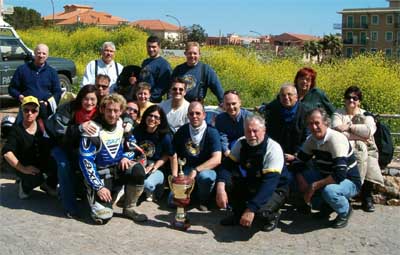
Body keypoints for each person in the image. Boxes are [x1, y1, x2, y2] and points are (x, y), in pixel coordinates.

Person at [79, 94, 147, 224]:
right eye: (109, 110)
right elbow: (85, 162)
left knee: (137, 169)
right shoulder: (92, 129)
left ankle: (129, 208)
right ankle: (95, 194)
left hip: (118, 168)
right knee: (103, 217)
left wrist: (126, 157)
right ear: (103, 109)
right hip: (100, 174)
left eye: (116, 111)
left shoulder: (123, 124)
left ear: (121, 111)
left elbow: (132, 143)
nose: (112, 114)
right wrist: (99, 187)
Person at [216, 115, 290, 232]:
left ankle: (272, 216)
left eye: (255, 131)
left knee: (260, 213)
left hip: (276, 188)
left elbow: (269, 184)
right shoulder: (241, 143)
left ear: (264, 131)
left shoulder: (273, 148)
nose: (251, 135)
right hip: (253, 183)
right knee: (228, 182)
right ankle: (238, 214)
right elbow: (227, 166)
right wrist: (220, 187)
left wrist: (251, 209)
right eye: (248, 131)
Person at [293, 108, 361, 229]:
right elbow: (298, 162)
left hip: (349, 180)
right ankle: (324, 207)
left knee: (329, 191)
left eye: (317, 123)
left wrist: (314, 186)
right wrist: (301, 180)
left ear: (326, 123)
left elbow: (340, 174)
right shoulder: (311, 140)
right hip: (325, 176)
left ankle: (345, 211)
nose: (313, 127)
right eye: (310, 124)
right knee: (293, 179)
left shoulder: (336, 140)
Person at [46, 85, 99, 218]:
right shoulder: (68, 108)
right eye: (86, 99)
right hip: (62, 146)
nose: (89, 103)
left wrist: (126, 121)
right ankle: (70, 206)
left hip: (83, 149)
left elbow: (119, 110)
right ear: (81, 98)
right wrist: (79, 128)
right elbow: (59, 132)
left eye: (93, 99)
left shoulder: (100, 111)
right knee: (64, 166)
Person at [332, 86, 384, 212]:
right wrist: (359, 136)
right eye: (348, 97)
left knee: (369, 159)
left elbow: (368, 131)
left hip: (366, 148)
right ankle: (347, 195)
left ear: (359, 101)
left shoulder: (366, 115)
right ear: (344, 100)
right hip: (344, 148)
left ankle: (366, 197)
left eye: (354, 98)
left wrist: (348, 127)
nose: (351, 100)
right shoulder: (338, 114)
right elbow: (336, 131)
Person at [2, 96, 57, 199]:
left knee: (60, 163)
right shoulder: (16, 130)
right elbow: (7, 152)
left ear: (38, 111)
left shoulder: (43, 125)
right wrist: (23, 169)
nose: (30, 113)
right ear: (22, 111)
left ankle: (48, 185)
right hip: (25, 166)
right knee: (33, 176)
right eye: (26, 110)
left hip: (42, 163)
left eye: (33, 110)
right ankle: (24, 186)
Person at [173, 101, 222, 211]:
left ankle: (203, 200)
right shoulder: (183, 131)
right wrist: (175, 175)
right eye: (191, 114)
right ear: (188, 116)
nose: (194, 116)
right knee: (172, 201)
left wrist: (196, 170)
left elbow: (217, 159)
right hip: (186, 168)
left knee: (205, 177)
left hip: (206, 170)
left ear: (204, 115)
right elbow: (173, 154)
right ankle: (191, 196)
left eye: (198, 113)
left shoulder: (212, 132)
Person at [133, 105, 177, 201]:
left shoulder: (165, 136)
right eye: (150, 115)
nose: (152, 119)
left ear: (160, 121)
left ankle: (155, 189)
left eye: (156, 117)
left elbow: (172, 156)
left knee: (147, 184)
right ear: (145, 116)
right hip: (140, 163)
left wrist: (175, 179)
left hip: (158, 169)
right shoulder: (137, 131)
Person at [8, 43, 61, 119]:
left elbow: (57, 92)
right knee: (21, 130)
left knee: (45, 130)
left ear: (47, 55)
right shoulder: (22, 69)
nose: (41, 55)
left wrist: (47, 103)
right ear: (34, 53)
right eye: (39, 53)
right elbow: (12, 88)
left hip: (44, 109)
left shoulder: (52, 72)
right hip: (26, 109)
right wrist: (19, 96)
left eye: (44, 53)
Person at [263, 84, 308, 165]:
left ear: (296, 97)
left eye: (289, 94)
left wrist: (296, 155)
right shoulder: (273, 111)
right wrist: (275, 152)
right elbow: (268, 134)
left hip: (298, 157)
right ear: (279, 98)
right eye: (283, 95)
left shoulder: (305, 113)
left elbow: (307, 138)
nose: (286, 98)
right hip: (276, 154)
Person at [215, 90, 251, 158]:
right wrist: (226, 151)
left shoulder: (249, 117)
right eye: (228, 104)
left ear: (240, 103)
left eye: (234, 103)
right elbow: (222, 137)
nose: (231, 107)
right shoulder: (220, 119)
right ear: (223, 105)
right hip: (228, 152)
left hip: (247, 150)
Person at [140, 36, 172, 103]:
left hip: (154, 102)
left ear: (159, 47)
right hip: (142, 98)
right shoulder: (145, 62)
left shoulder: (164, 65)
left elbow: (162, 87)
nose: (151, 49)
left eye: (154, 47)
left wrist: (150, 98)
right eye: (149, 47)